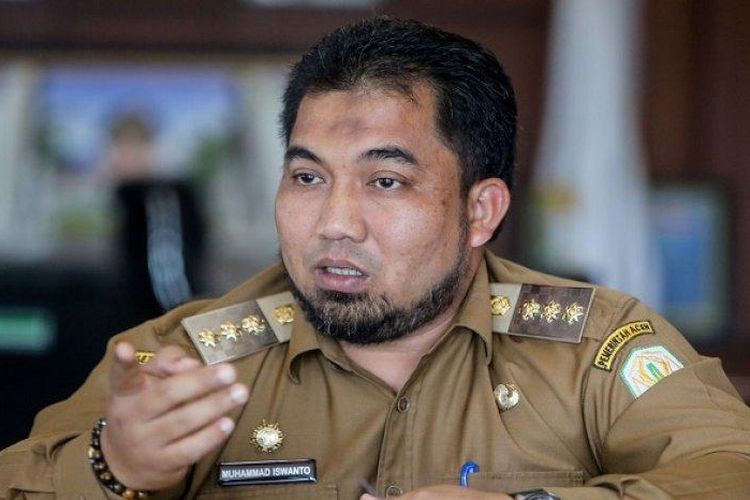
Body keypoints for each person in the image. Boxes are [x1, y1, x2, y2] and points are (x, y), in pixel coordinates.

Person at [2, 17, 750, 500]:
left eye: (385, 182)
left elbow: (728, 468)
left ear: (481, 210)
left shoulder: (593, 345)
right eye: (307, 178)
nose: (334, 223)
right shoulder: (183, 360)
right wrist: (114, 468)